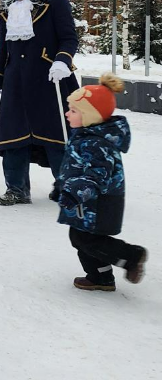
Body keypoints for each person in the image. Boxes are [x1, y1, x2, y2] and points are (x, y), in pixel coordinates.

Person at [0, 0, 80, 207]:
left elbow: (69, 38)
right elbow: (4, 48)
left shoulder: (56, 5)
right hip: (16, 81)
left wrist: (62, 60)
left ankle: (66, 187)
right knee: (12, 136)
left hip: (51, 79)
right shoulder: (6, 10)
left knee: (57, 137)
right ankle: (16, 189)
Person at [58, 73, 148, 292]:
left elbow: (96, 175)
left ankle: (131, 256)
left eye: (73, 111)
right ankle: (101, 277)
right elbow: (75, 168)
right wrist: (60, 187)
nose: (68, 114)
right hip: (85, 200)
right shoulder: (84, 137)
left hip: (99, 201)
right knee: (80, 238)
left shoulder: (96, 143)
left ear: (90, 116)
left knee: (87, 240)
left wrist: (73, 193)